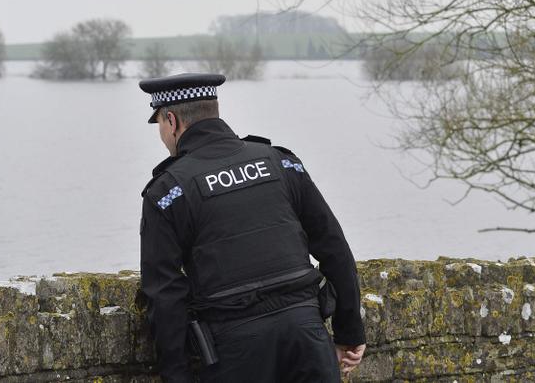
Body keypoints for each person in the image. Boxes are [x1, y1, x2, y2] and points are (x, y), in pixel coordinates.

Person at [138, 73, 366, 382]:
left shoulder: (168, 192)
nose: (162, 135)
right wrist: (349, 331)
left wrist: (176, 376)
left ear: (172, 120)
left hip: (234, 349)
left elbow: (165, 295)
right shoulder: (280, 162)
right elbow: (333, 246)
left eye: (160, 125)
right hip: (306, 335)